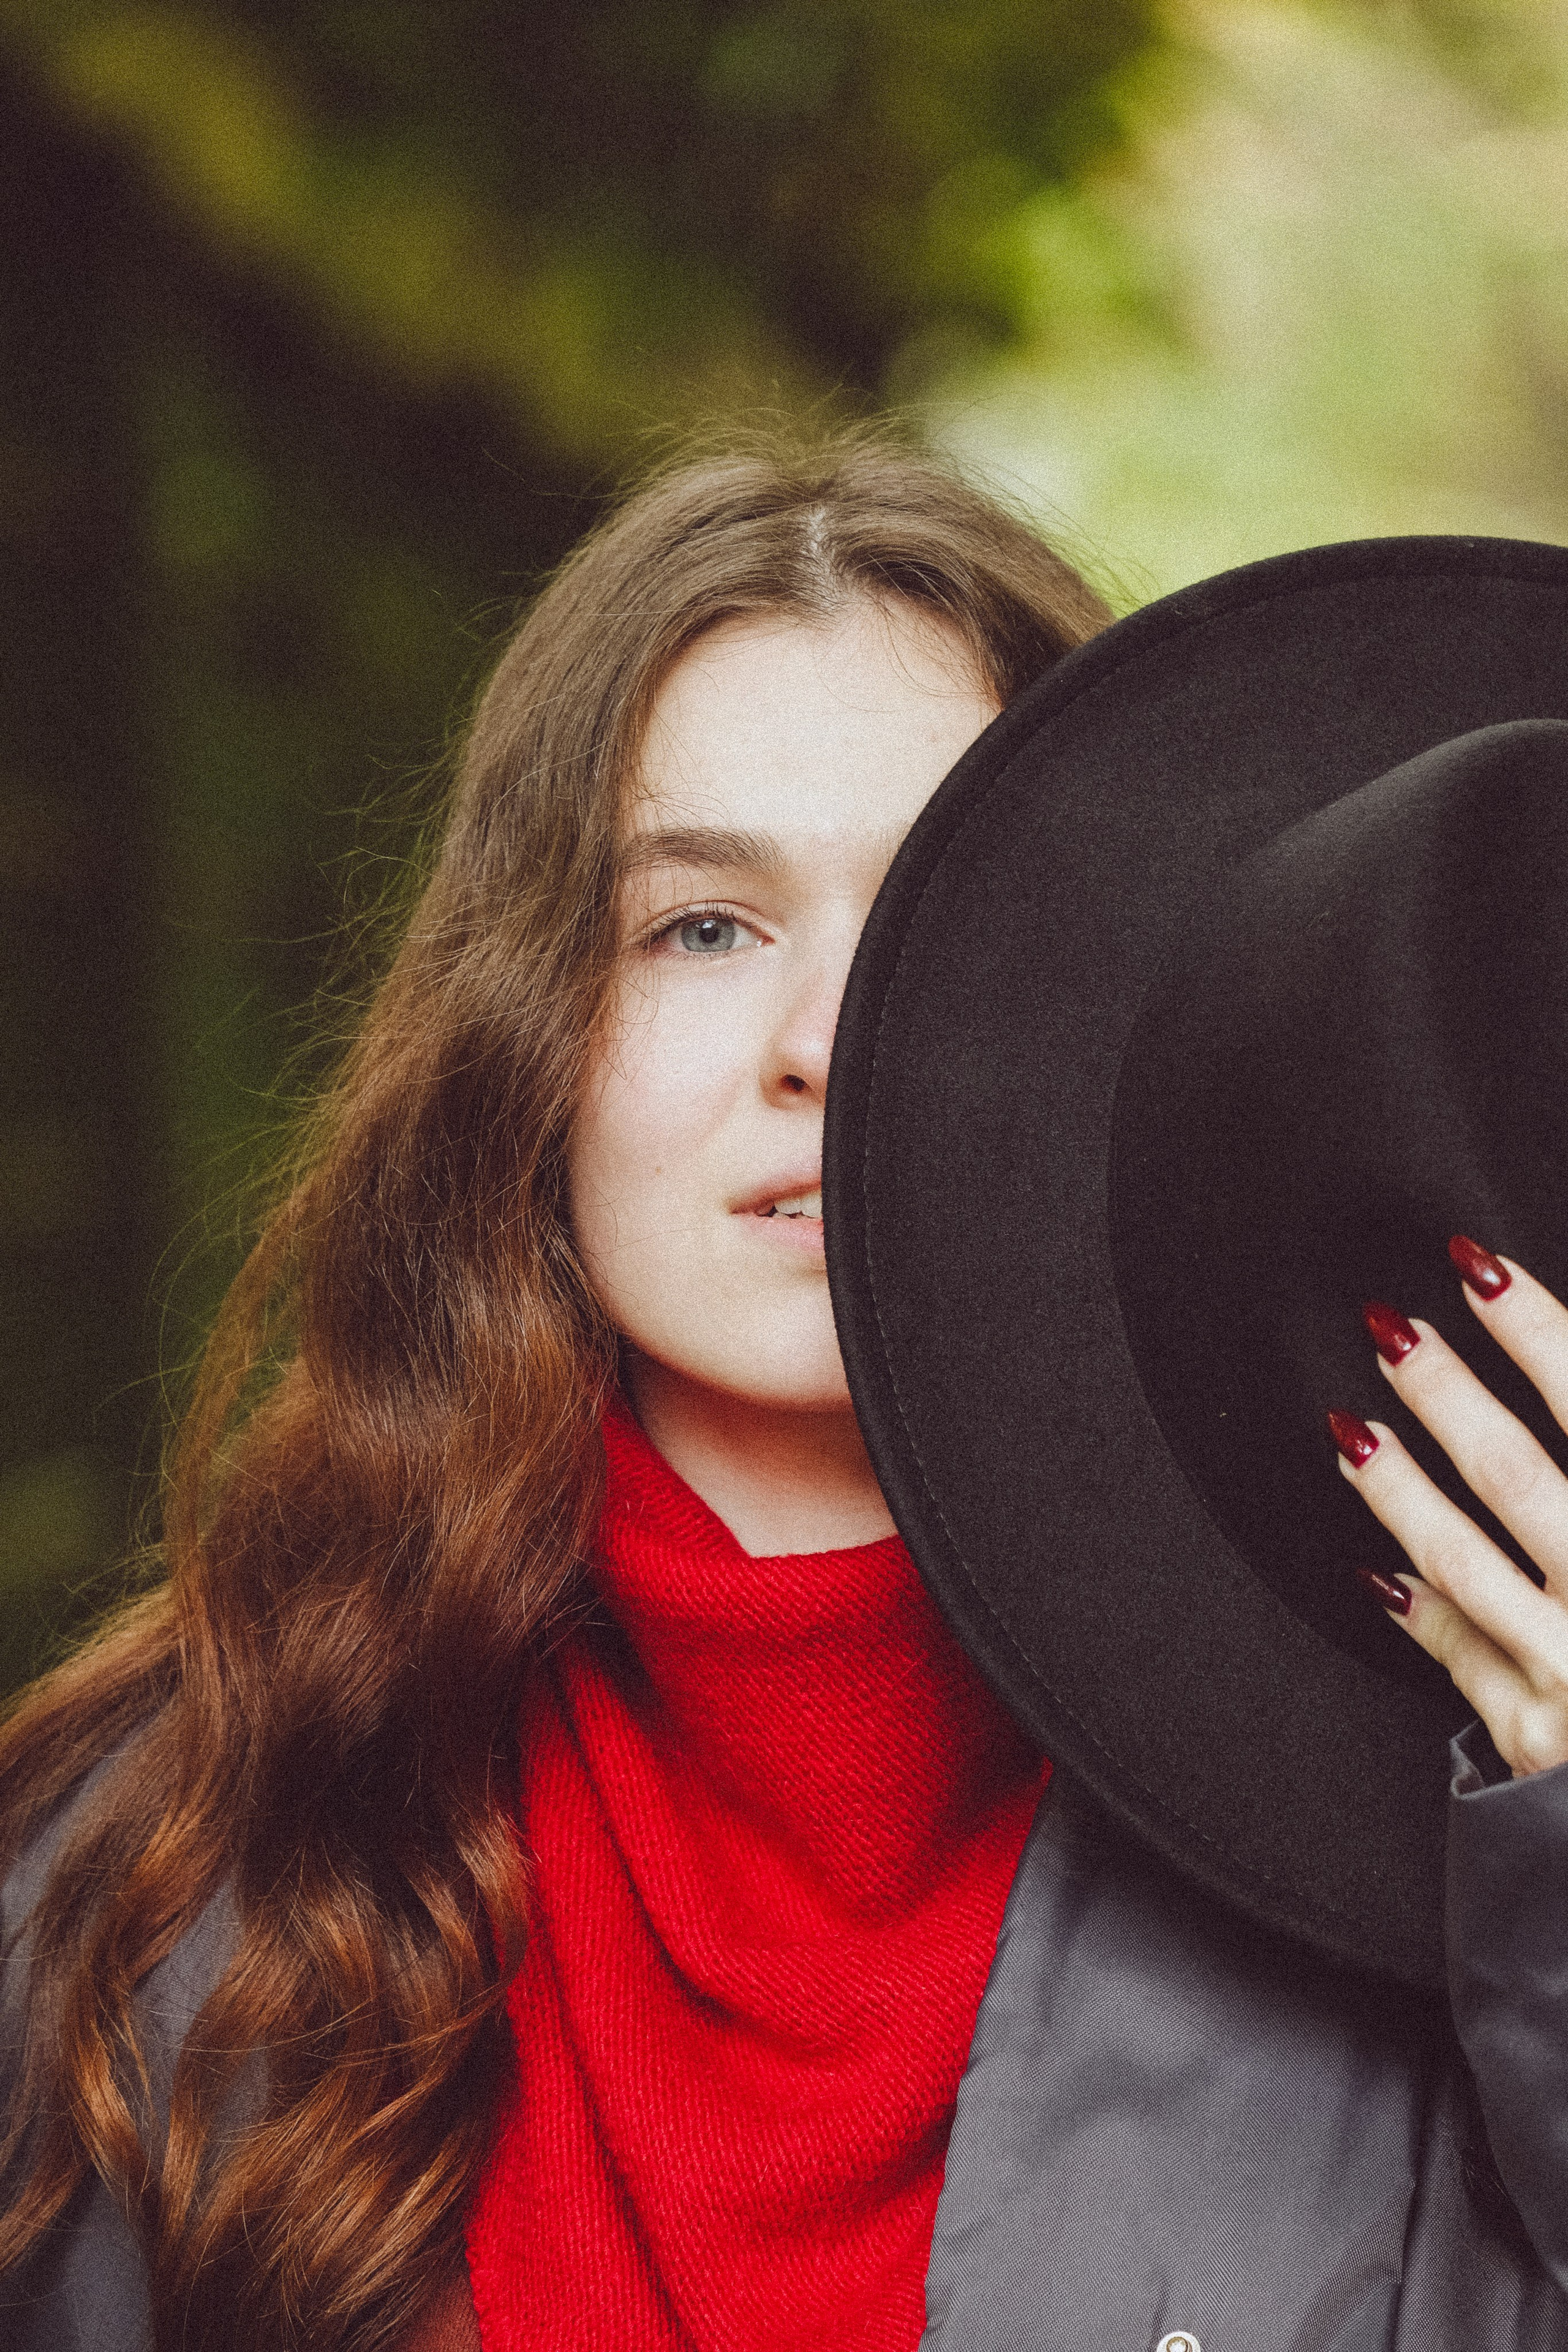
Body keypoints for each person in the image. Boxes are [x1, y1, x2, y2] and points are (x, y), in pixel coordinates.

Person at [2, 428, 1568, 2352]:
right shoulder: (152, 1869)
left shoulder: (1439, 1834)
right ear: (527, 1040)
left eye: (930, 932)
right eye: (704, 927)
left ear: (1121, 1028)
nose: (829, 1046)